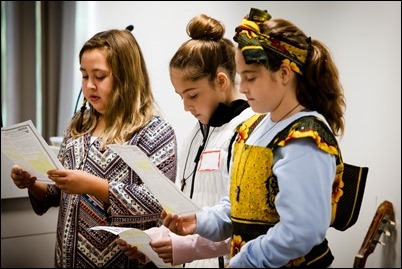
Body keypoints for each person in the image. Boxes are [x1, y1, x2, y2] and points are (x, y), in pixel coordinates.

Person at [161, 7, 347, 268]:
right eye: (241, 77)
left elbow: (300, 232)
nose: (242, 87)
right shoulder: (254, 128)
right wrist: (200, 221)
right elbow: (238, 204)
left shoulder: (305, 137)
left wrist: (246, 260)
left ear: (284, 73)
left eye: (250, 77)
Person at [10, 28, 177, 268]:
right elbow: (56, 193)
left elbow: (158, 204)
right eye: (84, 76)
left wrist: (94, 186)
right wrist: (32, 183)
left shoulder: (154, 131)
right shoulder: (79, 126)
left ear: (126, 77)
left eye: (99, 77)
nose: (89, 86)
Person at [117, 14, 254, 268]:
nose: (186, 106)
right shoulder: (195, 133)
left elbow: (247, 224)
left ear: (221, 81)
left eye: (192, 95)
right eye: (180, 96)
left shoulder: (247, 132)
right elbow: (188, 210)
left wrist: (185, 247)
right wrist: (153, 239)